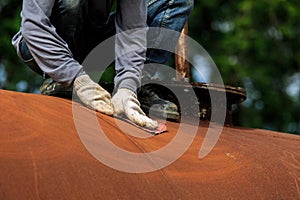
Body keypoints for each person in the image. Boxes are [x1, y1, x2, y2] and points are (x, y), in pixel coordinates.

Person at [12, 0, 193, 129]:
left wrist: (127, 86)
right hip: (40, 46)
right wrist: (76, 79)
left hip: (92, 40)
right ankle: (60, 79)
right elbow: (33, 26)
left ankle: (139, 86)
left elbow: (133, 31)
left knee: (176, 1)